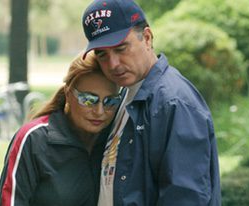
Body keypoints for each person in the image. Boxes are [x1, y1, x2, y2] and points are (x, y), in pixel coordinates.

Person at [80, 0, 221, 205]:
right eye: (102, 54)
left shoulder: (174, 103)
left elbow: (185, 197)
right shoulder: (127, 95)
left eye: (121, 48)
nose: (113, 64)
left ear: (147, 38)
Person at [0, 52, 122, 206]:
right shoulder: (33, 139)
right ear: (69, 94)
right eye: (89, 100)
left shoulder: (117, 137)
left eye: (110, 101)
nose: (100, 111)